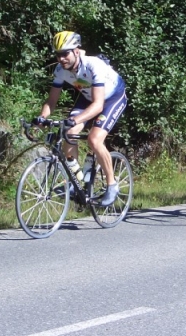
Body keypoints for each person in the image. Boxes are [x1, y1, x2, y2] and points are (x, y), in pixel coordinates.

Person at [32, 31, 127, 206]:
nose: (61, 58)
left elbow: (98, 106)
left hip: (111, 98)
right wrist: (41, 119)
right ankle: (76, 182)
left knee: (94, 139)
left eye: (65, 53)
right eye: (58, 54)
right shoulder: (60, 70)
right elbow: (51, 101)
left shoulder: (93, 65)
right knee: (68, 132)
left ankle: (112, 185)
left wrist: (75, 120)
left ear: (76, 51)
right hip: (88, 96)